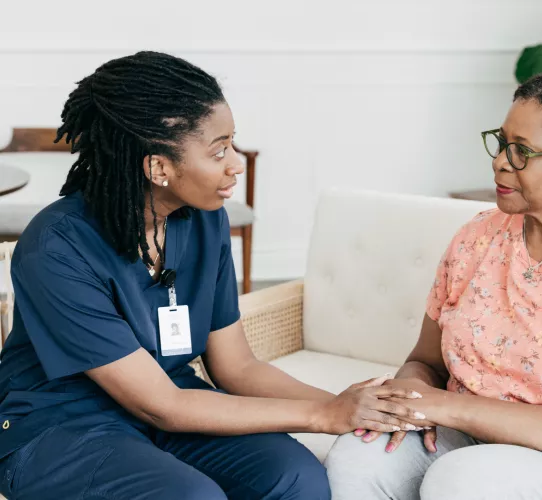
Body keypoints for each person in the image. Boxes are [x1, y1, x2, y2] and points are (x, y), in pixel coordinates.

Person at [0, 52, 423, 500]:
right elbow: (162, 406)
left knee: (295, 477)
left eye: (233, 143)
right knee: (191, 497)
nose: (236, 163)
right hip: (63, 426)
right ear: (158, 167)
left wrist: (352, 404)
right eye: (219, 150)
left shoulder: (202, 219)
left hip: (173, 401)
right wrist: (324, 415)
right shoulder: (57, 248)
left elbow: (237, 367)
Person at [326, 71, 542, 500]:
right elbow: (426, 362)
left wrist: (448, 407)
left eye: (522, 151)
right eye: (501, 143)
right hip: (471, 437)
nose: (500, 161)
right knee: (356, 458)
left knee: (463, 480)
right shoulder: (478, 237)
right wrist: (408, 402)